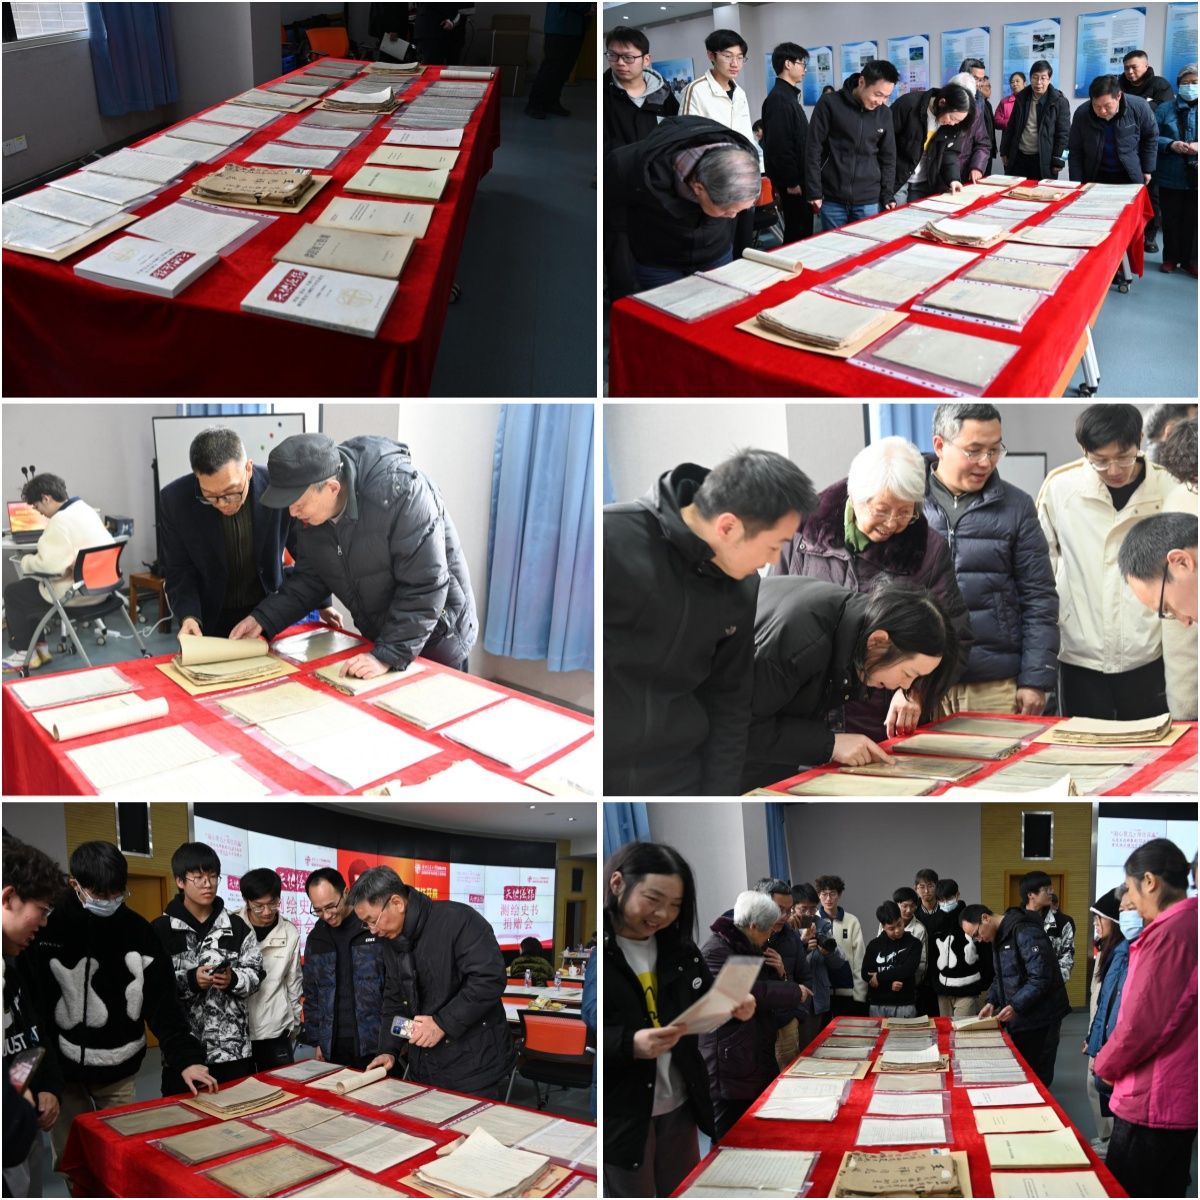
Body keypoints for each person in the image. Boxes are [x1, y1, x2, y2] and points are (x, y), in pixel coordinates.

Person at [605, 450, 816, 796]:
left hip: (679, 778)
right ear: (728, 527)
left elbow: (730, 702)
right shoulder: (612, 538)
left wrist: (719, 795)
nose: (774, 559)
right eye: (774, 545)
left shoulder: (743, 586)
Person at [774, 437, 973, 745]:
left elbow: (953, 637)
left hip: (881, 724)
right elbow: (777, 612)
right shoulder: (803, 532)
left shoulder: (928, 550)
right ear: (856, 496)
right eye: (882, 510)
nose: (893, 523)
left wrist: (914, 691)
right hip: (806, 717)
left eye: (905, 512)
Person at [228, 433, 477, 679]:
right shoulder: (312, 516)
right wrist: (263, 619)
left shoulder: (403, 493)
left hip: (438, 636)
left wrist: (388, 655)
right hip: (385, 641)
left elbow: (425, 585)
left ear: (331, 488)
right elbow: (312, 577)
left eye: (299, 504)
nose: (292, 513)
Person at [34, 841, 214, 1165]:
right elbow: (36, 1009)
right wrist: (45, 1077)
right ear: (75, 885)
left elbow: (163, 1004)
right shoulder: (48, 928)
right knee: (73, 1160)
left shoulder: (139, 932)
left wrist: (186, 1059)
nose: (108, 901)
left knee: (122, 1155)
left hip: (119, 1068)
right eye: (99, 894)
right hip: (63, 1072)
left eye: (116, 893)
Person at [604, 842, 754, 1198]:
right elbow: (592, 1033)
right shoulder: (603, 953)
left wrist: (734, 1008)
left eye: (675, 905)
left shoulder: (681, 951)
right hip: (625, 1111)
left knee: (683, 1190)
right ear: (617, 884)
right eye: (653, 899)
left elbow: (703, 1008)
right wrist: (629, 1044)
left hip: (680, 1099)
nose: (663, 914)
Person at [745, 577, 958, 791]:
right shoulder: (802, 644)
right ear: (878, 641)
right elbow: (740, 726)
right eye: (908, 673)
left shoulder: (854, 621)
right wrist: (832, 744)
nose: (905, 685)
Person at [1037, 405, 1174, 719]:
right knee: (1084, 742)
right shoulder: (1061, 488)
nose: (1114, 470)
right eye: (1100, 460)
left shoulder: (1167, 487)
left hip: (1147, 652)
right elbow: (1042, 569)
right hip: (1080, 655)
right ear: (1084, 450)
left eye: (1124, 457)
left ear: (1139, 440)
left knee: (1148, 742)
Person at [925, 403, 1060, 717]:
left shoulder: (1017, 506)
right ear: (940, 445)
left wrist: (1035, 678)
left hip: (995, 684)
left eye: (995, 449)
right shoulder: (908, 502)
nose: (986, 462)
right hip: (920, 683)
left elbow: (1039, 598)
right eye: (974, 451)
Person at [159, 428, 336, 640]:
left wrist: (323, 603)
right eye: (210, 496)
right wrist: (189, 617)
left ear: (248, 468)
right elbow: (178, 571)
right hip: (209, 617)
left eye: (231, 492)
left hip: (267, 609)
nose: (222, 504)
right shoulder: (175, 501)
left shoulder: (276, 488)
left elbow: (307, 551)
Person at [353, 867, 515, 1099]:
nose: (373, 930)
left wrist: (442, 1023)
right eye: (366, 924)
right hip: (424, 1066)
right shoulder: (390, 940)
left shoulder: (458, 920)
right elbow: (394, 999)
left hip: (473, 1066)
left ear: (397, 903)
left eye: (373, 920)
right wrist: (388, 1049)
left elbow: (489, 978)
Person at [1094, 839, 1197, 1198]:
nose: (1129, 901)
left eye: (1130, 889)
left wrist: (1104, 1065)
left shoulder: (1169, 934)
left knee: (1129, 1188)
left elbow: (1142, 1025)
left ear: (1149, 881)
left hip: (1153, 1098)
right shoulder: (1189, 924)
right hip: (1178, 1094)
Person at [151, 842, 264, 1095]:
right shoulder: (161, 929)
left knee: (239, 1113)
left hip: (232, 1052)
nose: (208, 884)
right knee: (183, 1116)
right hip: (183, 1056)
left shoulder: (237, 926)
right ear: (180, 881)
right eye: (198, 877)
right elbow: (154, 989)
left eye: (213, 876)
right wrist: (191, 980)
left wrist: (233, 979)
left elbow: (256, 974)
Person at [604, 116, 762, 288]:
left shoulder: (746, 162)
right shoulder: (630, 166)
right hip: (658, 261)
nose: (732, 216)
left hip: (716, 252)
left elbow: (739, 223)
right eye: (726, 211)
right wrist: (623, 284)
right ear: (699, 188)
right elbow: (614, 228)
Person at [700, 890, 806, 1137]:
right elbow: (749, 992)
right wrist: (793, 991)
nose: (770, 935)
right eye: (768, 929)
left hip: (752, 1052)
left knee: (757, 1131)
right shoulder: (717, 950)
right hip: (728, 1058)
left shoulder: (747, 944)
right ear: (753, 926)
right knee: (729, 1135)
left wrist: (782, 974)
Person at [2, 834, 64, 1199]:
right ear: (8, 897)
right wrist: (17, 1104)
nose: (42, 924)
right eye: (41, 911)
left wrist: (44, 1088)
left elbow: (32, 1033)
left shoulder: (14, 961)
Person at [2, 472, 113, 672]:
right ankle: (40, 650)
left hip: (79, 595)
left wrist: (25, 561)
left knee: (14, 592)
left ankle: (24, 653)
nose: (39, 513)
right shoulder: (85, 509)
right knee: (30, 589)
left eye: (37, 507)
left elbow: (50, 567)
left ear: (46, 498)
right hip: (103, 588)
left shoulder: (59, 522)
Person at [961, 901, 1070, 1086]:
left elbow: (1041, 978)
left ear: (985, 918)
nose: (979, 940)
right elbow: (1002, 976)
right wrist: (992, 1001)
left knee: (1037, 1076)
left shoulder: (1025, 931)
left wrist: (1015, 1005)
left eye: (977, 934)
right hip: (1023, 1016)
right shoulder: (999, 936)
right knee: (1023, 1073)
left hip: (1042, 1018)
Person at [680, 30, 758, 258]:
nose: (735, 63)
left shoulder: (739, 93)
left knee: (743, 245)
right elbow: (685, 139)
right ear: (711, 56)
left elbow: (746, 136)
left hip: (741, 180)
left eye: (740, 57)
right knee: (718, 248)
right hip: (714, 182)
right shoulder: (697, 90)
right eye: (728, 56)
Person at [299, 867, 386, 1069]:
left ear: (346, 892)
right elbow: (311, 993)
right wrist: (317, 1040)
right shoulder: (317, 938)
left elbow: (394, 985)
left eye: (331, 906)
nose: (327, 915)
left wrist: (395, 1041)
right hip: (333, 1044)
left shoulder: (371, 927)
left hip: (376, 1041)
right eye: (318, 910)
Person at [804, 60, 899, 230]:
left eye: (886, 97)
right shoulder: (830, 104)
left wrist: (887, 194)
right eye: (877, 94)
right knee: (834, 245)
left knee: (868, 245)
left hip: (869, 199)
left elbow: (888, 158)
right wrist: (814, 190)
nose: (880, 101)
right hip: (832, 198)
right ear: (862, 82)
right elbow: (813, 149)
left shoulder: (885, 114)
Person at [236, 868, 302, 1073]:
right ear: (247, 901)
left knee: (282, 1085)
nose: (266, 912)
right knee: (242, 1088)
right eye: (259, 906)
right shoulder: (231, 926)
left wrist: (294, 1025)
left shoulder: (289, 932)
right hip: (238, 1030)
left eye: (273, 903)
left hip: (276, 1028)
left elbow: (294, 982)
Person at [753, 877, 814, 1069]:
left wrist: (797, 1016)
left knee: (788, 1076)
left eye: (789, 910)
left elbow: (806, 980)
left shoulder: (791, 937)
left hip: (786, 1023)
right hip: (755, 1027)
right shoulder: (747, 936)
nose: (784, 916)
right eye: (779, 909)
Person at [1083, 888, 1125, 1157]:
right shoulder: (1107, 949)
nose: (1096, 925)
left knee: (1104, 1087)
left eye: (1100, 919)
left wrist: (1101, 1046)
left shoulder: (1124, 952)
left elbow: (1115, 1009)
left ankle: (1112, 1141)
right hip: (1099, 1033)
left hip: (1112, 1040)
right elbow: (1100, 1002)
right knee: (1093, 1086)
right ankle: (1107, 1137)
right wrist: (1092, 1038)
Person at [1121, 49, 1176, 252]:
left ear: (1146, 65)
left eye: (1134, 67)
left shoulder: (1160, 85)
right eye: (1126, 68)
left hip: (1151, 147)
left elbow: (1162, 115)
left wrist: (1141, 108)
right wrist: (1145, 104)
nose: (1130, 72)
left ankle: (1150, 236)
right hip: (1124, 147)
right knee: (1125, 194)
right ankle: (1127, 235)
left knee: (1152, 195)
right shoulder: (1118, 84)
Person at [761, 42, 812, 243]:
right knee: (798, 233)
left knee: (803, 230)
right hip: (793, 183)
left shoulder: (788, 96)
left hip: (798, 179)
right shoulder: (779, 99)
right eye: (802, 64)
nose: (805, 69)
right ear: (788, 64)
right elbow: (779, 145)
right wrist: (791, 182)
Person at [1068, 75, 1158, 186]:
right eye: (1097, 106)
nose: (1102, 111)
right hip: (1095, 175)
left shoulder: (1139, 107)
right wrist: (1076, 182)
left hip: (1129, 173)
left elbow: (1150, 137)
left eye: (1107, 105)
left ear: (1118, 96)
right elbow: (1075, 150)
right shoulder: (1082, 114)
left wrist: (1147, 169)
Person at [890, 83, 973, 201]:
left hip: (925, 181)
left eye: (958, 121)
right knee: (898, 212)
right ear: (942, 103)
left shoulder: (953, 127)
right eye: (952, 118)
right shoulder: (909, 105)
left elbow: (949, 153)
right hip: (897, 179)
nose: (952, 123)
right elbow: (886, 143)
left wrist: (953, 178)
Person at [602, 27, 679, 152]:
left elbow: (676, 132)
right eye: (613, 55)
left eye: (628, 57)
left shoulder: (663, 92)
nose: (620, 62)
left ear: (646, 60)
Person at [1154, 65, 1198, 275]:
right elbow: (1151, 136)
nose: (1190, 86)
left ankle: (1191, 261)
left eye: (1195, 83)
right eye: (1185, 83)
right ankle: (1170, 258)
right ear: (1178, 85)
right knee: (1171, 219)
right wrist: (1171, 144)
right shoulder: (1165, 108)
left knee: (1194, 221)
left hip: (1196, 176)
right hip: (1170, 174)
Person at [789, 882, 847, 1036]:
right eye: (803, 908)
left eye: (813, 908)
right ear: (792, 907)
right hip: (794, 996)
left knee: (815, 1041)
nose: (809, 913)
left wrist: (828, 953)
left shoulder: (822, 925)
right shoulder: (786, 927)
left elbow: (840, 961)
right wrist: (803, 945)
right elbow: (786, 963)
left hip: (817, 996)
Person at [930, 878, 992, 1018]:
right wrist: (936, 985)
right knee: (946, 1027)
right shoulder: (935, 922)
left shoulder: (971, 918)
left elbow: (986, 952)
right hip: (943, 989)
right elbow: (933, 957)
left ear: (957, 895)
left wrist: (981, 984)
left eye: (949, 898)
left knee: (962, 1027)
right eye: (941, 900)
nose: (945, 903)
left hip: (969, 989)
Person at [999, 60, 1070, 180]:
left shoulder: (1059, 101)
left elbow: (1065, 134)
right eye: (1035, 77)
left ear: (1049, 79)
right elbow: (1011, 126)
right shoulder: (1021, 98)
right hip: (1019, 157)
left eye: (1043, 78)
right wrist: (1004, 151)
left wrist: (1060, 160)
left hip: (1044, 160)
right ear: (1030, 78)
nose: (1039, 82)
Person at [814, 875, 866, 1020]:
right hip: (821, 993)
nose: (828, 898)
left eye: (832, 893)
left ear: (839, 894)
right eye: (824, 894)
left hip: (847, 992)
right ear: (818, 895)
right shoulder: (813, 920)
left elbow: (859, 958)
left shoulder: (851, 921)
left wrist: (860, 993)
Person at [525, 3, 588, 120]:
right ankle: (534, 105)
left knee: (565, 68)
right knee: (551, 68)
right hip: (560, 27)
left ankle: (552, 102)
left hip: (576, 27)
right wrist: (589, 7)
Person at [863, 901, 923, 1018]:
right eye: (891, 928)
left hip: (904, 1005)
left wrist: (879, 976)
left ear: (901, 918)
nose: (897, 930)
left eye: (899, 924)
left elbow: (908, 969)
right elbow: (865, 974)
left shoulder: (914, 943)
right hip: (878, 1004)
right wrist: (889, 984)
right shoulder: (874, 945)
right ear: (883, 926)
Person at [1021, 872, 1075, 984]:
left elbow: (1067, 959)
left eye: (1051, 888)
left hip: (1052, 989)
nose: (1052, 892)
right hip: (1021, 989)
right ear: (1030, 894)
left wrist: (1045, 984)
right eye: (1047, 889)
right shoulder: (1014, 921)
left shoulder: (1063, 922)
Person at [880, 887, 928, 996]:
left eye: (912, 906)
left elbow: (922, 963)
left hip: (908, 986)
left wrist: (910, 984)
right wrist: (884, 981)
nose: (909, 910)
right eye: (904, 906)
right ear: (897, 905)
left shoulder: (919, 929)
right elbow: (878, 951)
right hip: (885, 983)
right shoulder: (885, 923)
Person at [952, 60, 993, 183]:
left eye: (981, 79)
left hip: (966, 169)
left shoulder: (979, 101)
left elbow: (983, 141)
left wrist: (977, 166)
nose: (979, 84)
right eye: (975, 78)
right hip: (944, 172)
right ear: (963, 75)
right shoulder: (946, 102)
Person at [978, 76, 997, 172]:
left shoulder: (987, 104)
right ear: (979, 87)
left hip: (988, 148)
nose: (990, 89)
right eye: (988, 86)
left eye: (990, 86)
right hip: (979, 150)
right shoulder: (977, 104)